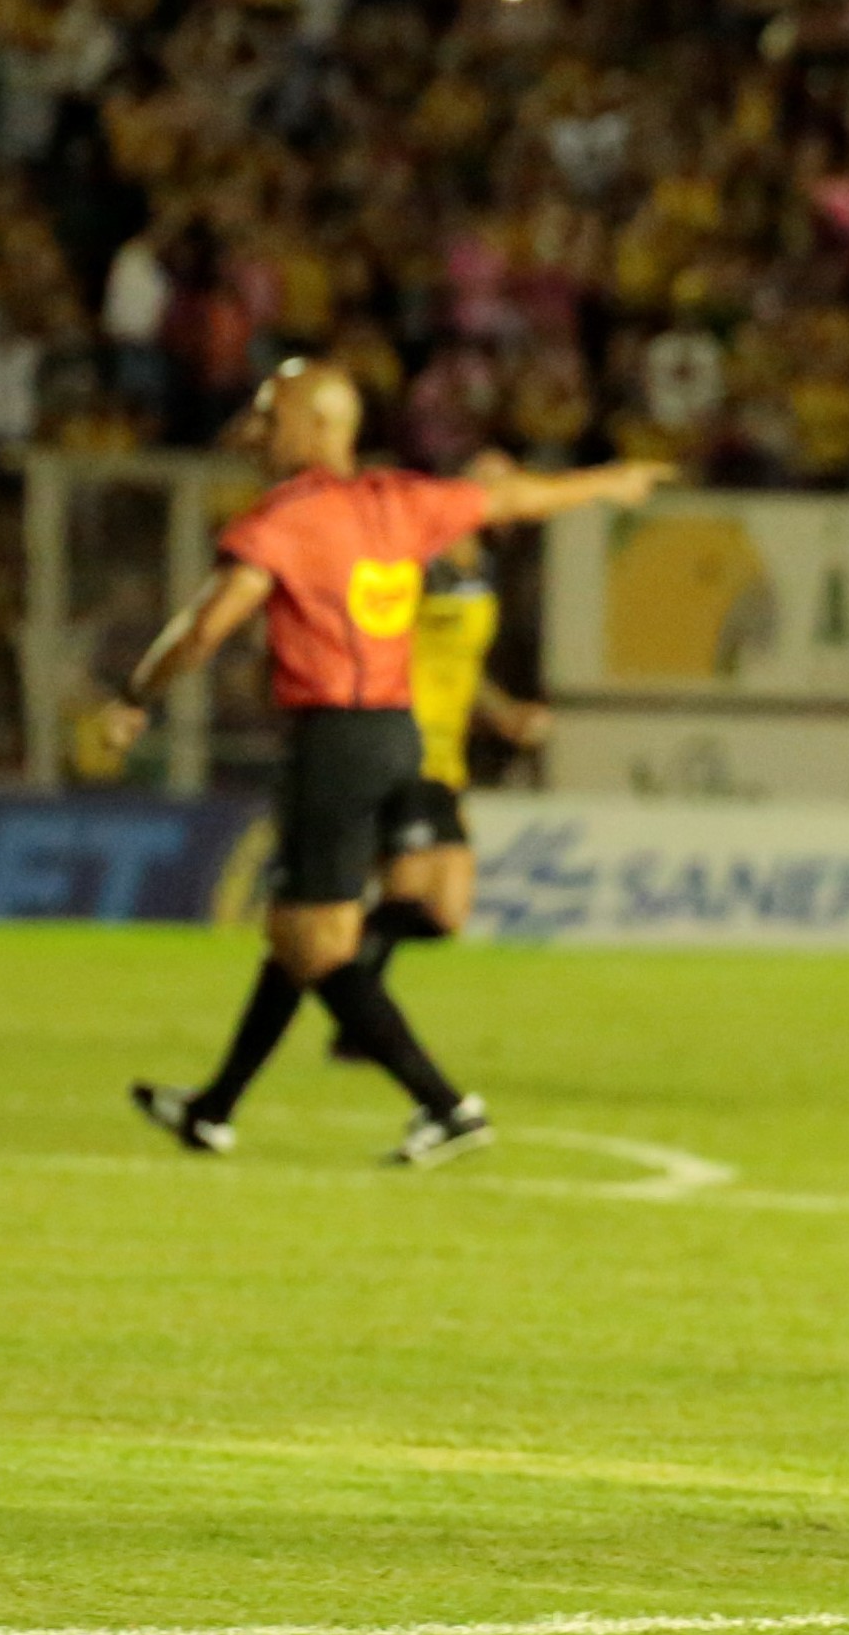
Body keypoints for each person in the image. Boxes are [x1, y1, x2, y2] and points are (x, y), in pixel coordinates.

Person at [103, 365, 661, 1162]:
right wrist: (608, 481)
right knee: (300, 930)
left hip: (334, 738)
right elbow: (510, 501)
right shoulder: (399, 503)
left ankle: (445, 1107)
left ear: (322, 426)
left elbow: (204, 627)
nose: (256, 433)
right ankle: (214, 1108)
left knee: (316, 941)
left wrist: (136, 693)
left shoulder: (285, 521)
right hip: (395, 735)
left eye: (271, 417)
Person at [326, 524, 554, 1057]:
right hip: (406, 747)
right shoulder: (416, 569)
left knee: (444, 912)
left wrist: (504, 714)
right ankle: (351, 1018)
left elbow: (461, 666)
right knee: (413, 894)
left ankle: (330, 959)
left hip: (447, 760)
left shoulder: (480, 574)